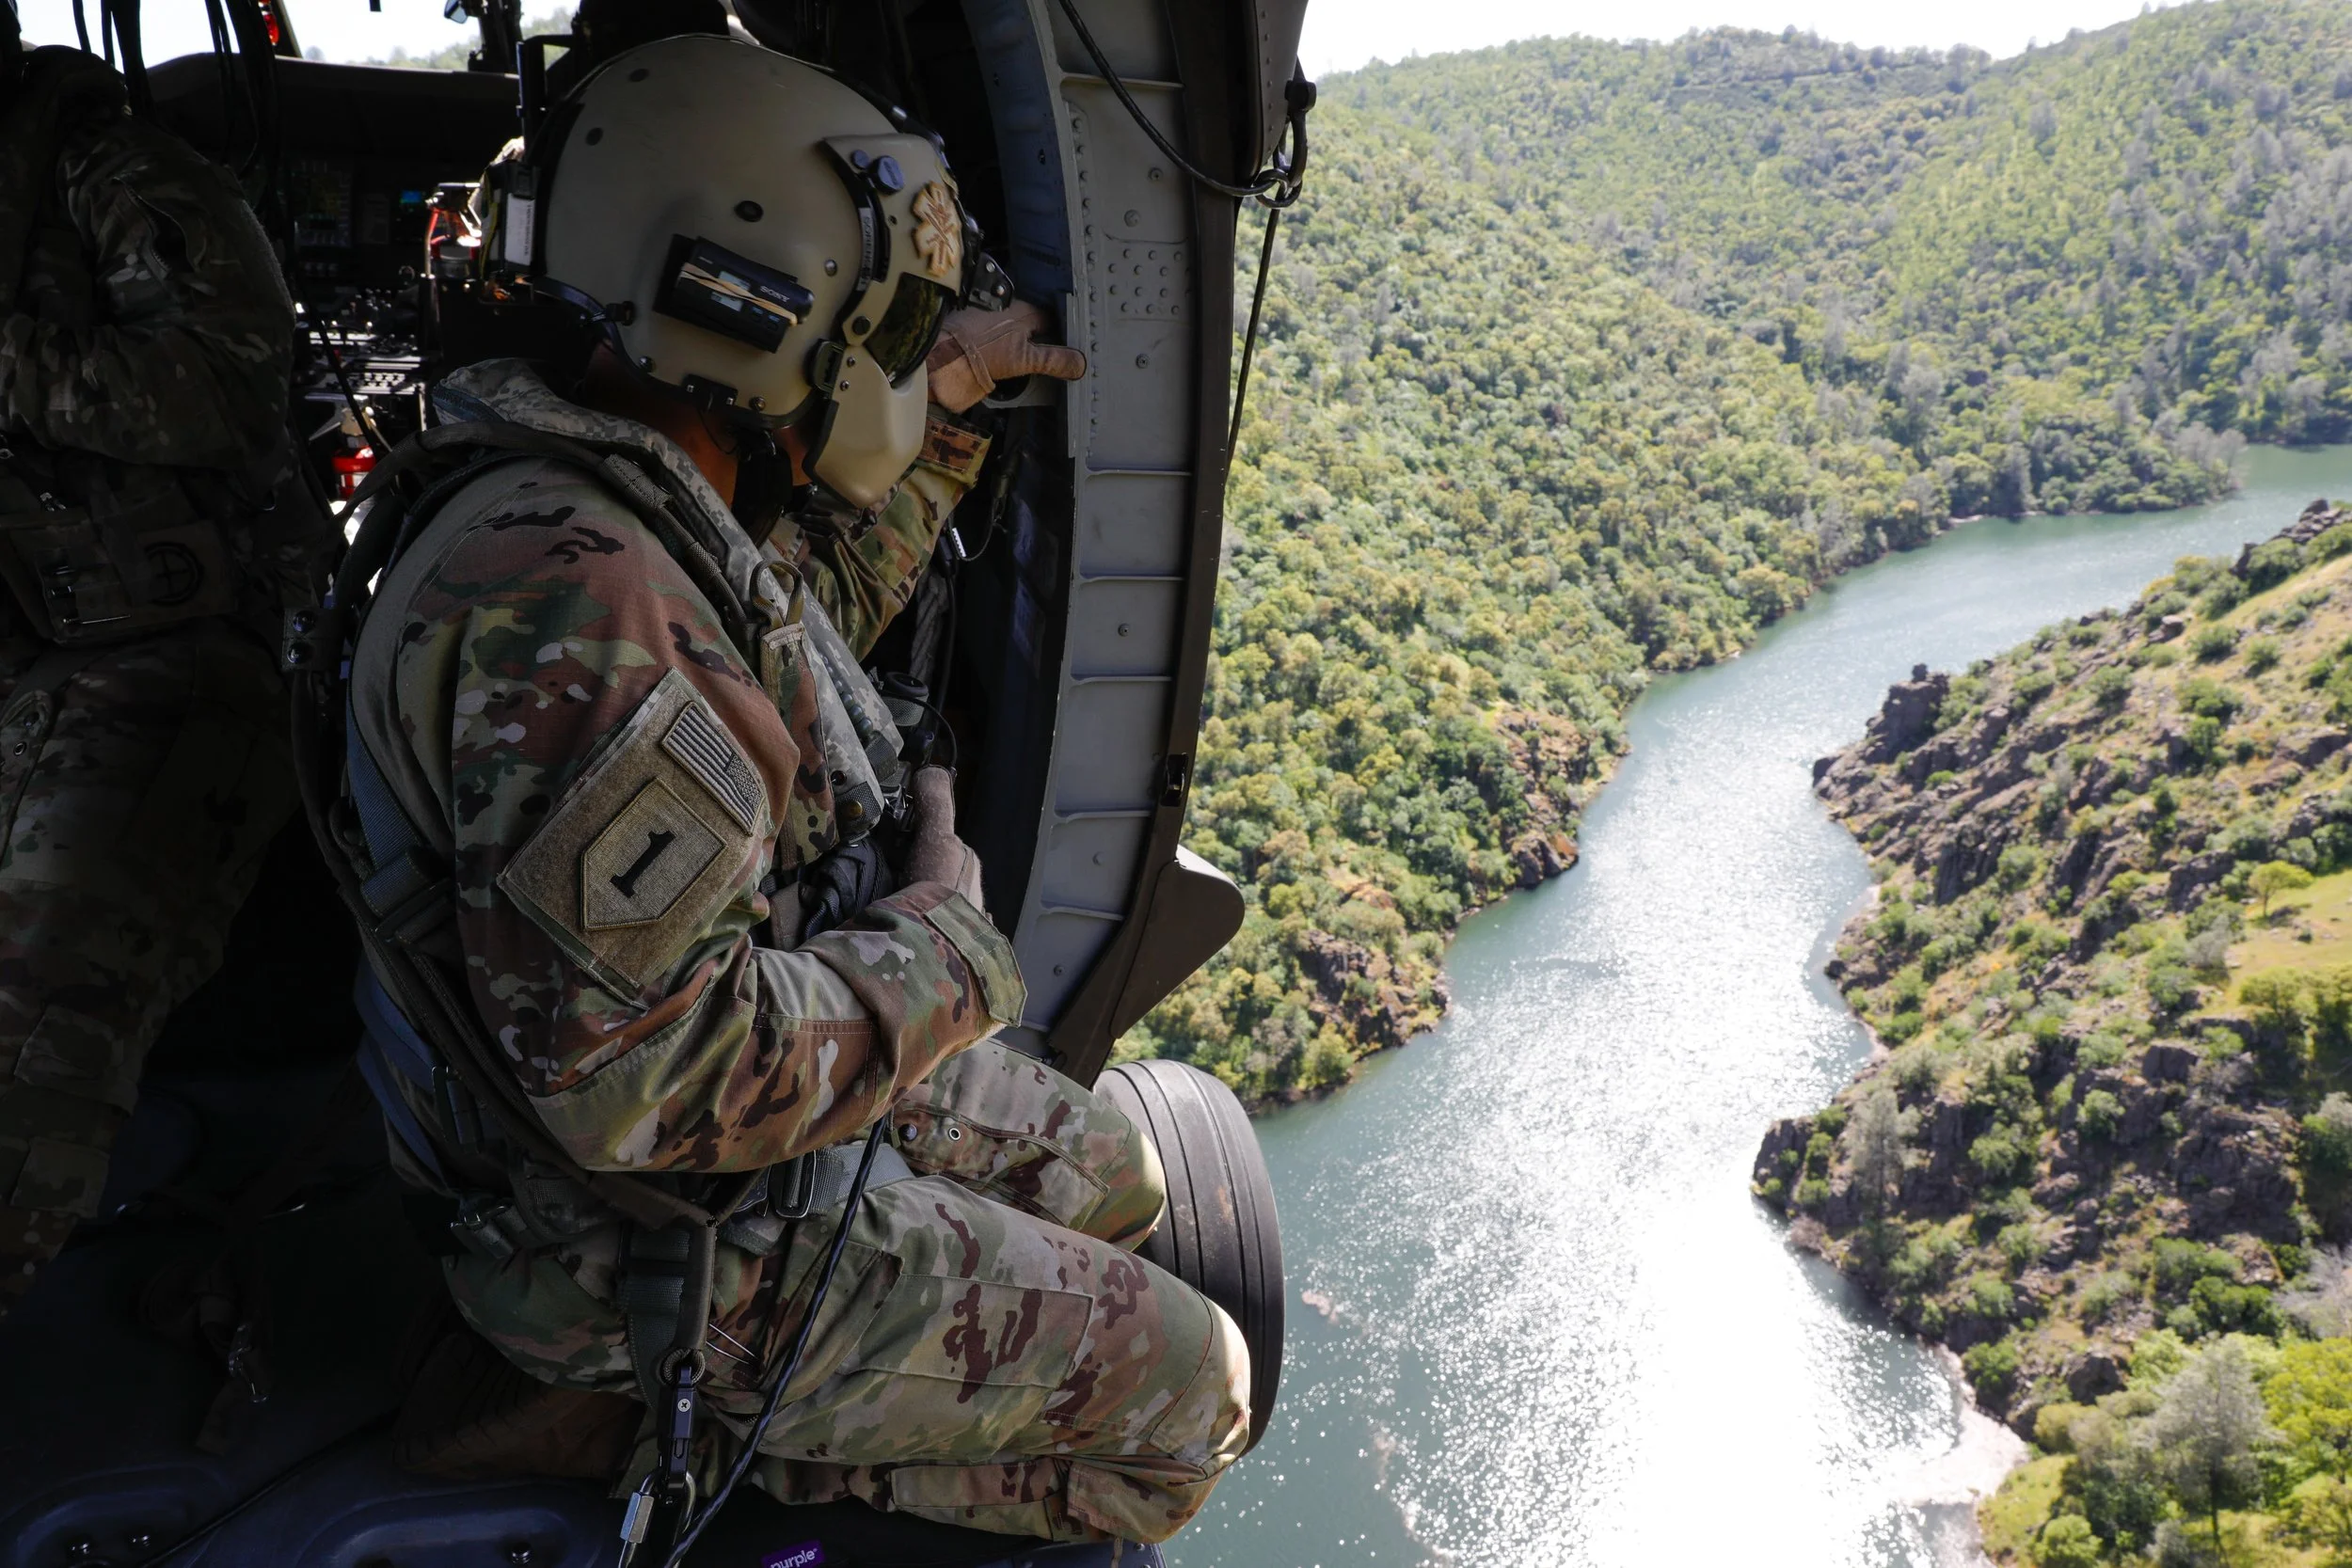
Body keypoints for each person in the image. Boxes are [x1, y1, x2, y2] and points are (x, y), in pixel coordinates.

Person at [325, 34, 1248, 1544]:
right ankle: (625, 1417)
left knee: (1125, 1173)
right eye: (872, 331)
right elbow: (651, 1087)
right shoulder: (588, 612)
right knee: (1198, 1395)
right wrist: (948, 944)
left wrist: (941, 409)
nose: (876, 366)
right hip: (638, 1242)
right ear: (756, 307)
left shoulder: (595, 494)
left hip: (696, 1103)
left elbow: (783, 615)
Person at [0, 6, 319, 1320]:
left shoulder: (104, 168)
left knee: (29, 1036)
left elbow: (231, 380)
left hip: (159, 660)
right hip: (33, 653)